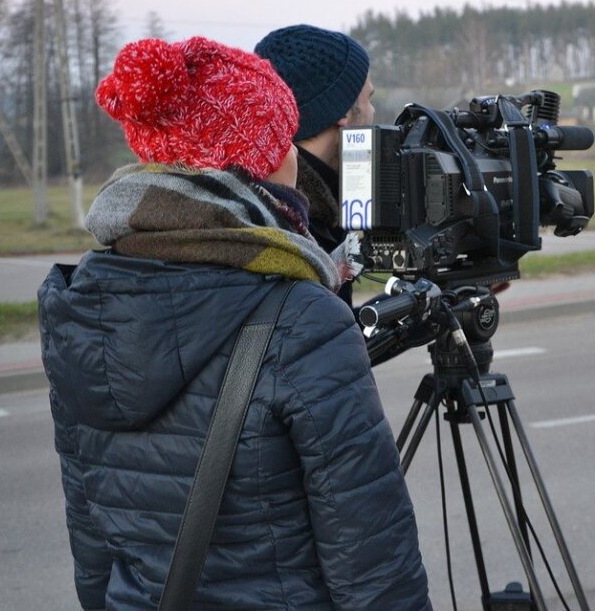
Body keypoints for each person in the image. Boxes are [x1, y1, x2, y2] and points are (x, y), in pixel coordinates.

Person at [39, 36, 430, 610]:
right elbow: (371, 559)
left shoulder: (82, 304)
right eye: (283, 137)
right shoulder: (301, 316)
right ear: (264, 159)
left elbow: (92, 538)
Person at [254, 24, 376, 309]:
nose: (372, 112)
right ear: (343, 111)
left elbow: (332, 339)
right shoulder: (298, 227)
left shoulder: (272, 199)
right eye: (369, 99)